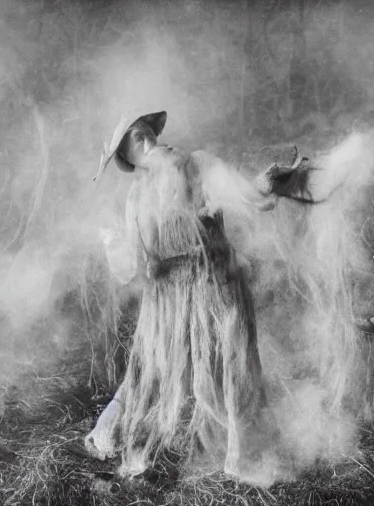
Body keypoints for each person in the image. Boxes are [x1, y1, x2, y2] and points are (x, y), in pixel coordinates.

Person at [84, 111, 330, 484]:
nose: (139, 150)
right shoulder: (171, 178)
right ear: (140, 142)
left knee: (187, 372)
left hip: (189, 290)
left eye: (133, 145)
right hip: (192, 290)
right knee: (201, 370)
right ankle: (240, 457)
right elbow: (255, 200)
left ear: (140, 138)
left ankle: (114, 437)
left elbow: (131, 270)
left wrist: (270, 182)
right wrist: (273, 182)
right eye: (132, 145)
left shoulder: (168, 180)